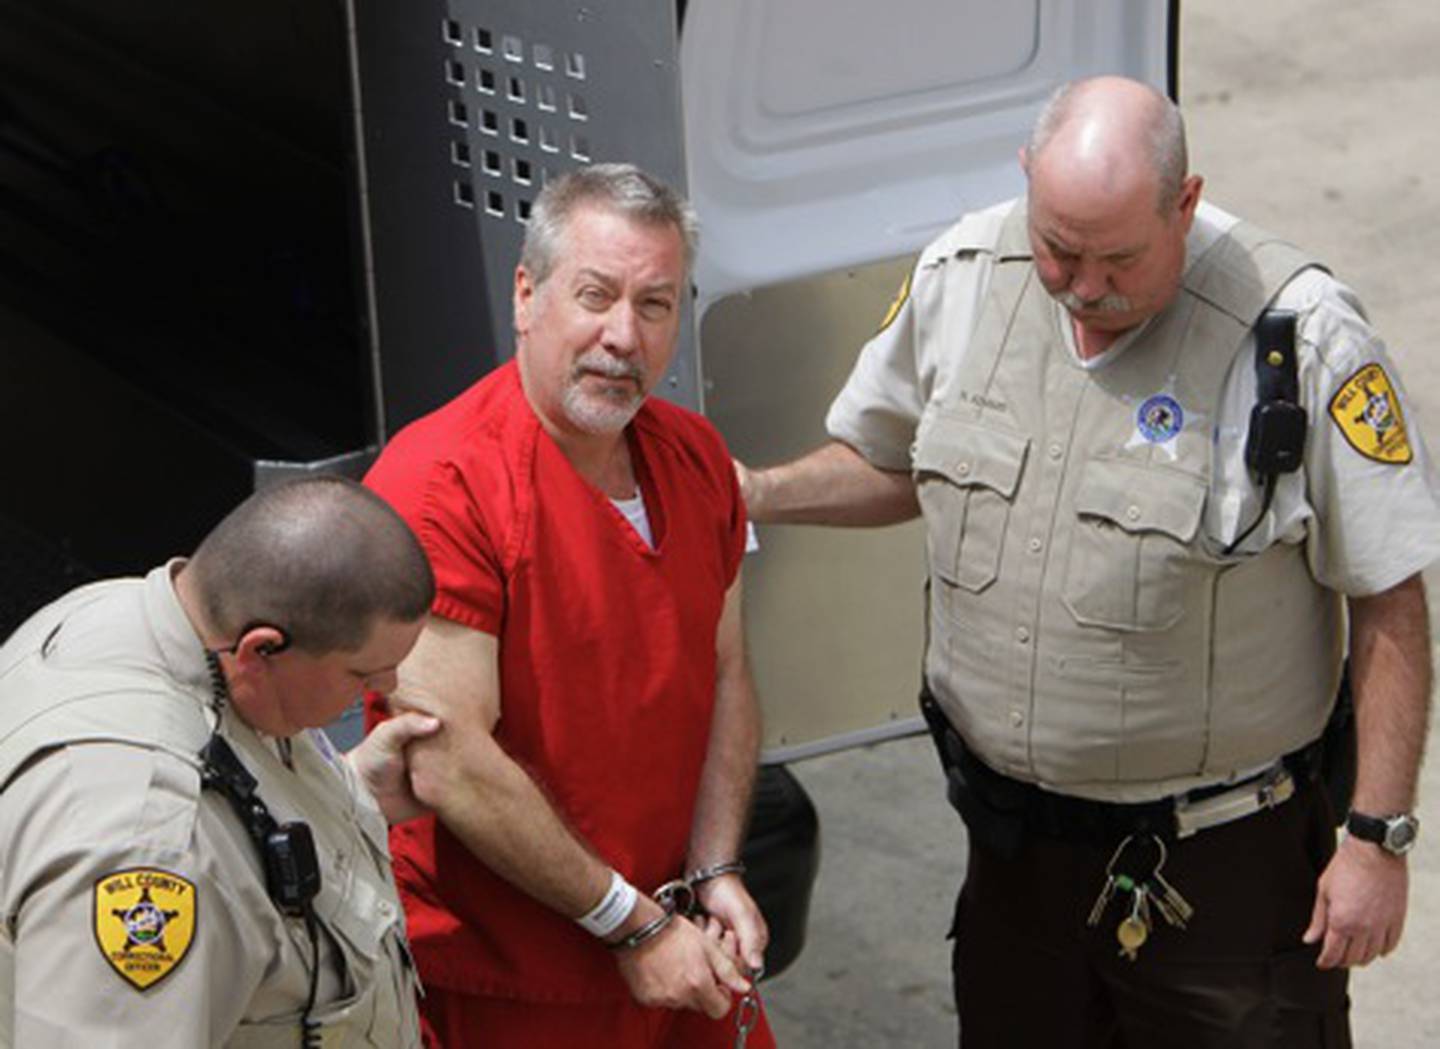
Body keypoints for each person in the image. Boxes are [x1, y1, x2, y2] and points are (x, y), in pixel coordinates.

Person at [738, 76, 1440, 1048]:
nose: (1080, 284)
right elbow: (893, 462)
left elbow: (1390, 594)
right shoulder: (964, 275)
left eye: (1117, 257)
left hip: (1222, 870)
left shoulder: (1301, 338)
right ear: (1027, 181)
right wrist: (749, 492)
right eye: (1058, 248)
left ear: (1184, 204)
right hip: (1015, 856)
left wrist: (1377, 838)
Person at [363, 162, 775, 1048]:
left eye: (656, 305)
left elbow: (728, 671)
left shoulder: (697, 457)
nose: (623, 335)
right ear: (526, 294)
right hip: (512, 984)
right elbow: (449, 760)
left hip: (673, 957)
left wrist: (715, 871)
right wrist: (631, 921)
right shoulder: (444, 484)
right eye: (596, 296)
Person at [0, 476, 441, 1047]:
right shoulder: (149, 844)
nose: (387, 687)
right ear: (260, 649)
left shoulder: (143, 616)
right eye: (362, 673)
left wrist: (350, 793)